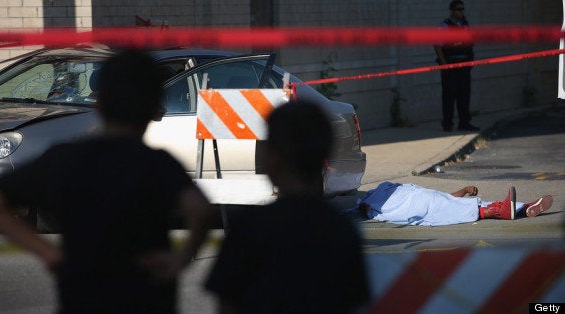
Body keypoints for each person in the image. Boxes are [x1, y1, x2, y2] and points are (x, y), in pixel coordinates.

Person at [0, 49, 215, 313]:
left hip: (82, 295)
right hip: (147, 296)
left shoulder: (64, 158)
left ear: (98, 104)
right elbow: (201, 210)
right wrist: (180, 259)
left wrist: (48, 253)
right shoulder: (157, 163)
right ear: (156, 108)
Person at [205, 101, 370, 314]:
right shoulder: (342, 228)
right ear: (324, 159)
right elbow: (353, 301)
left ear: (272, 158)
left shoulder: (247, 226)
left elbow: (226, 304)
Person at [350, 182, 553, 226]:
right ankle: (500, 211)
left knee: (449, 203)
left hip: (427, 198)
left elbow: (445, 197)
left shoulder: (390, 187)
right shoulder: (371, 201)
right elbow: (366, 210)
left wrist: (464, 191)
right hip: (418, 205)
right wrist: (366, 208)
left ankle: (525, 207)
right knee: (450, 207)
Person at [434, 0, 479, 132]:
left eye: (462, 9)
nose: (461, 12)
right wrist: (444, 64)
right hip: (450, 66)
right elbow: (437, 45)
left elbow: (470, 44)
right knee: (449, 96)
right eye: (458, 9)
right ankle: (447, 124)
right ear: (452, 11)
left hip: (464, 65)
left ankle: (464, 122)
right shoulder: (444, 26)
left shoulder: (465, 25)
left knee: (464, 95)